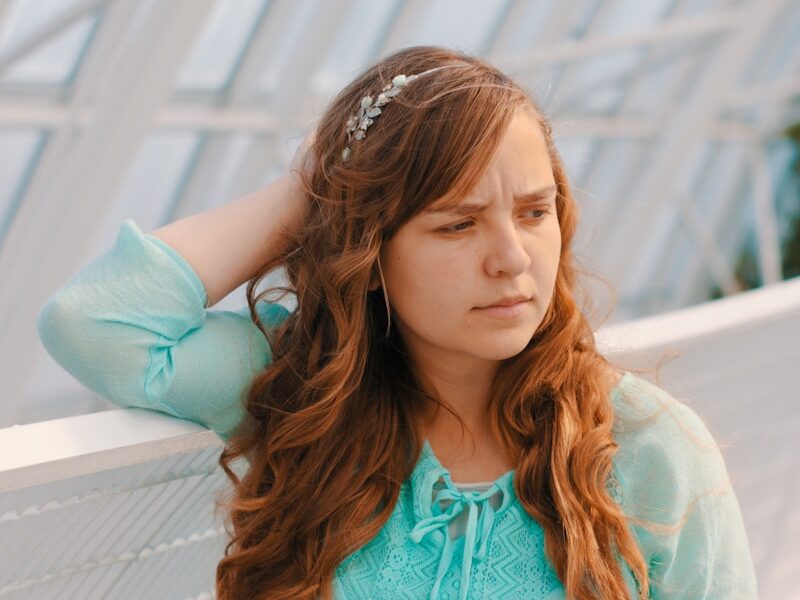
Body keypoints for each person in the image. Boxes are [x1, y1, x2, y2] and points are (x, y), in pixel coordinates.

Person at [36, 46, 757, 599]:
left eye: (535, 213)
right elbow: (98, 324)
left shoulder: (646, 447)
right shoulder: (302, 392)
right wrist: (314, 190)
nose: (512, 258)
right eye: (457, 224)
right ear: (370, 251)